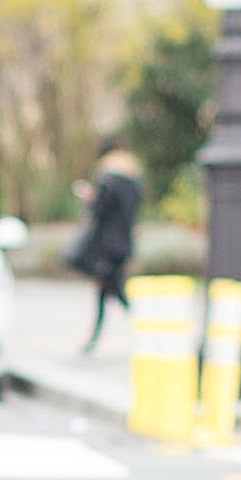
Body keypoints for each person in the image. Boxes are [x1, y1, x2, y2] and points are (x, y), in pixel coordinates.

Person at [67, 138, 146, 352]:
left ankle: (145, 329)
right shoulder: (134, 181)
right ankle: (94, 340)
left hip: (106, 245)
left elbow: (98, 210)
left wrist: (88, 197)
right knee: (106, 290)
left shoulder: (108, 180)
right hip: (123, 243)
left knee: (115, 290)